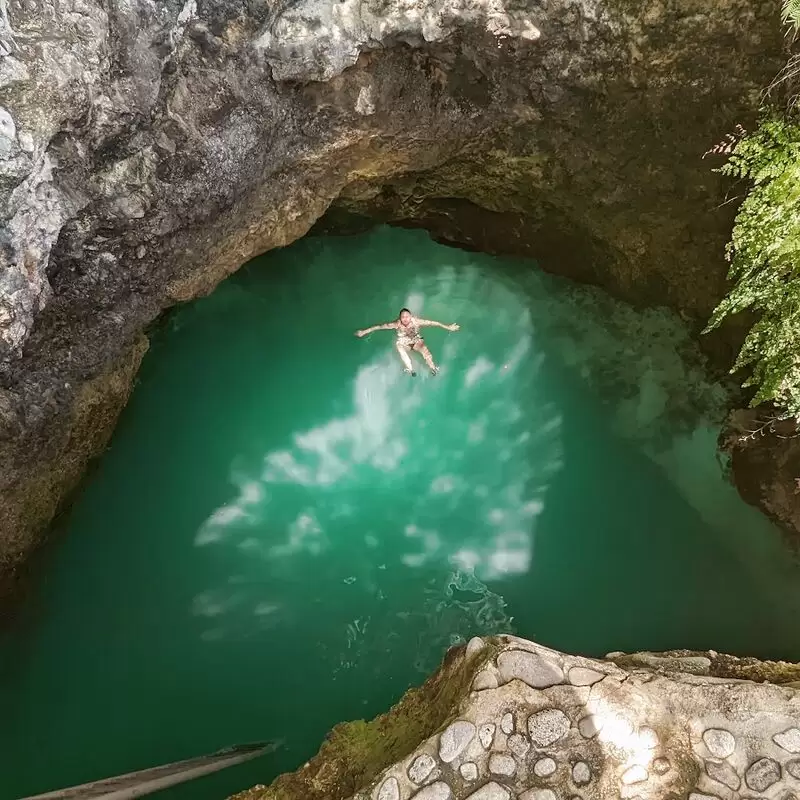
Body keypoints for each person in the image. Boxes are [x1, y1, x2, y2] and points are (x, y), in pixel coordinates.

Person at [355, 308, 460, 376]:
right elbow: (379, 327)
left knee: (426, 352)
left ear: (411, 316)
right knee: (399, 345)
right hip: (404, 343)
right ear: (400, 318)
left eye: (407, 316)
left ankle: (433, 368)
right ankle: (410, 368)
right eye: (403, 317)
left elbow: (434, 323)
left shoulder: (417, 321)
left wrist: (448, 327)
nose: (405, 319)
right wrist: (364, 332)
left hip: (416, 340)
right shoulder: (396, 324)